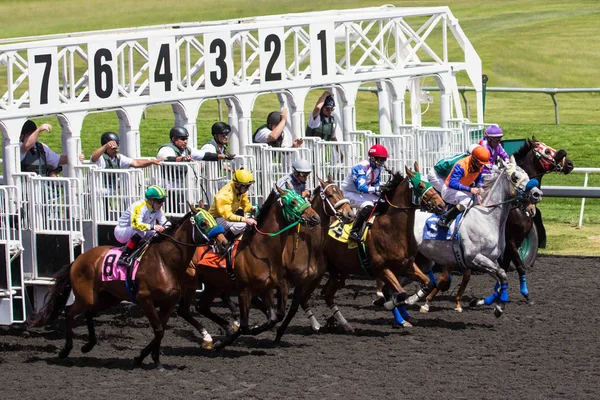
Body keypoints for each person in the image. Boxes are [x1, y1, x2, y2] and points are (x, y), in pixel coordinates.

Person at [341, 144, 389, 242]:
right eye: (380, 159)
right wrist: (378, 189)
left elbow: (375, 185)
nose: (382, 162)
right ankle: (354, 232)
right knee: (368, 205)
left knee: (383, 201)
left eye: (384, 160)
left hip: (360, 193)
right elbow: (361, 187)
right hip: (347, 193)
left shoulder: (378, 169)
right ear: (372, 158)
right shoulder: (360, 167)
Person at [437, 145, 491, 228]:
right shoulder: (461, 165)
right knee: (467, 201)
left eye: (482, 164)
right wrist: (469, 189)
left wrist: (479, 187)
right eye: (480, 164)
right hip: (449, 190)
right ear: (473, 159)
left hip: (462, 191)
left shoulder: (479, 165)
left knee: (482, 200)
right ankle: (445, 218)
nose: (481, 166)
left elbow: (478, 180)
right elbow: (452, 183)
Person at [114, 185, 167, 267]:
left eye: (163, 201)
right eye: (159, 201)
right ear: (150, 201)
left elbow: (165, 223)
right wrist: (154, 227)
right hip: (121, 232)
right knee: (141, 231)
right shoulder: (138, 206)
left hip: (137, 231)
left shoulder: (158, 210)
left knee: (156, 233)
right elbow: (136, 225)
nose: (161, 204)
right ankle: (124, 256)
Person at [208, 168, 257, 242]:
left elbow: (245, 204)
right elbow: (228, 216)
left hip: (225, 218)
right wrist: (246, 220)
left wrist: (251, 209)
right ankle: (224, 244)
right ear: (237, 184)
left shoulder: (241, 190)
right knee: (242, 225)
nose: (247, 189)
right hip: (214, 220)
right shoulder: (224, 195)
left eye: (249, 186)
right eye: (246, 186)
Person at [157, 126, 235, 162]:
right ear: (173, 139)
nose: (185, 141)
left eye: (186, 139)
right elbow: (167, 159)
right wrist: (183, 159)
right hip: (165, 186)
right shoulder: (167, 149)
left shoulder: (188, 150)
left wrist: (225, 156)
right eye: (182, 139)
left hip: (181, 186)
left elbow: (207, 155)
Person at [91, 131, 163, 169]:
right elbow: (94, 158)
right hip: (96, 193)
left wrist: (151, 161)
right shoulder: (100, 158)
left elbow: (136, 163)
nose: (116, 150)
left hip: (110, 192)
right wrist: (105, 146)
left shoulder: (119, 158)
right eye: (114, 148)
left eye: (117, 148)